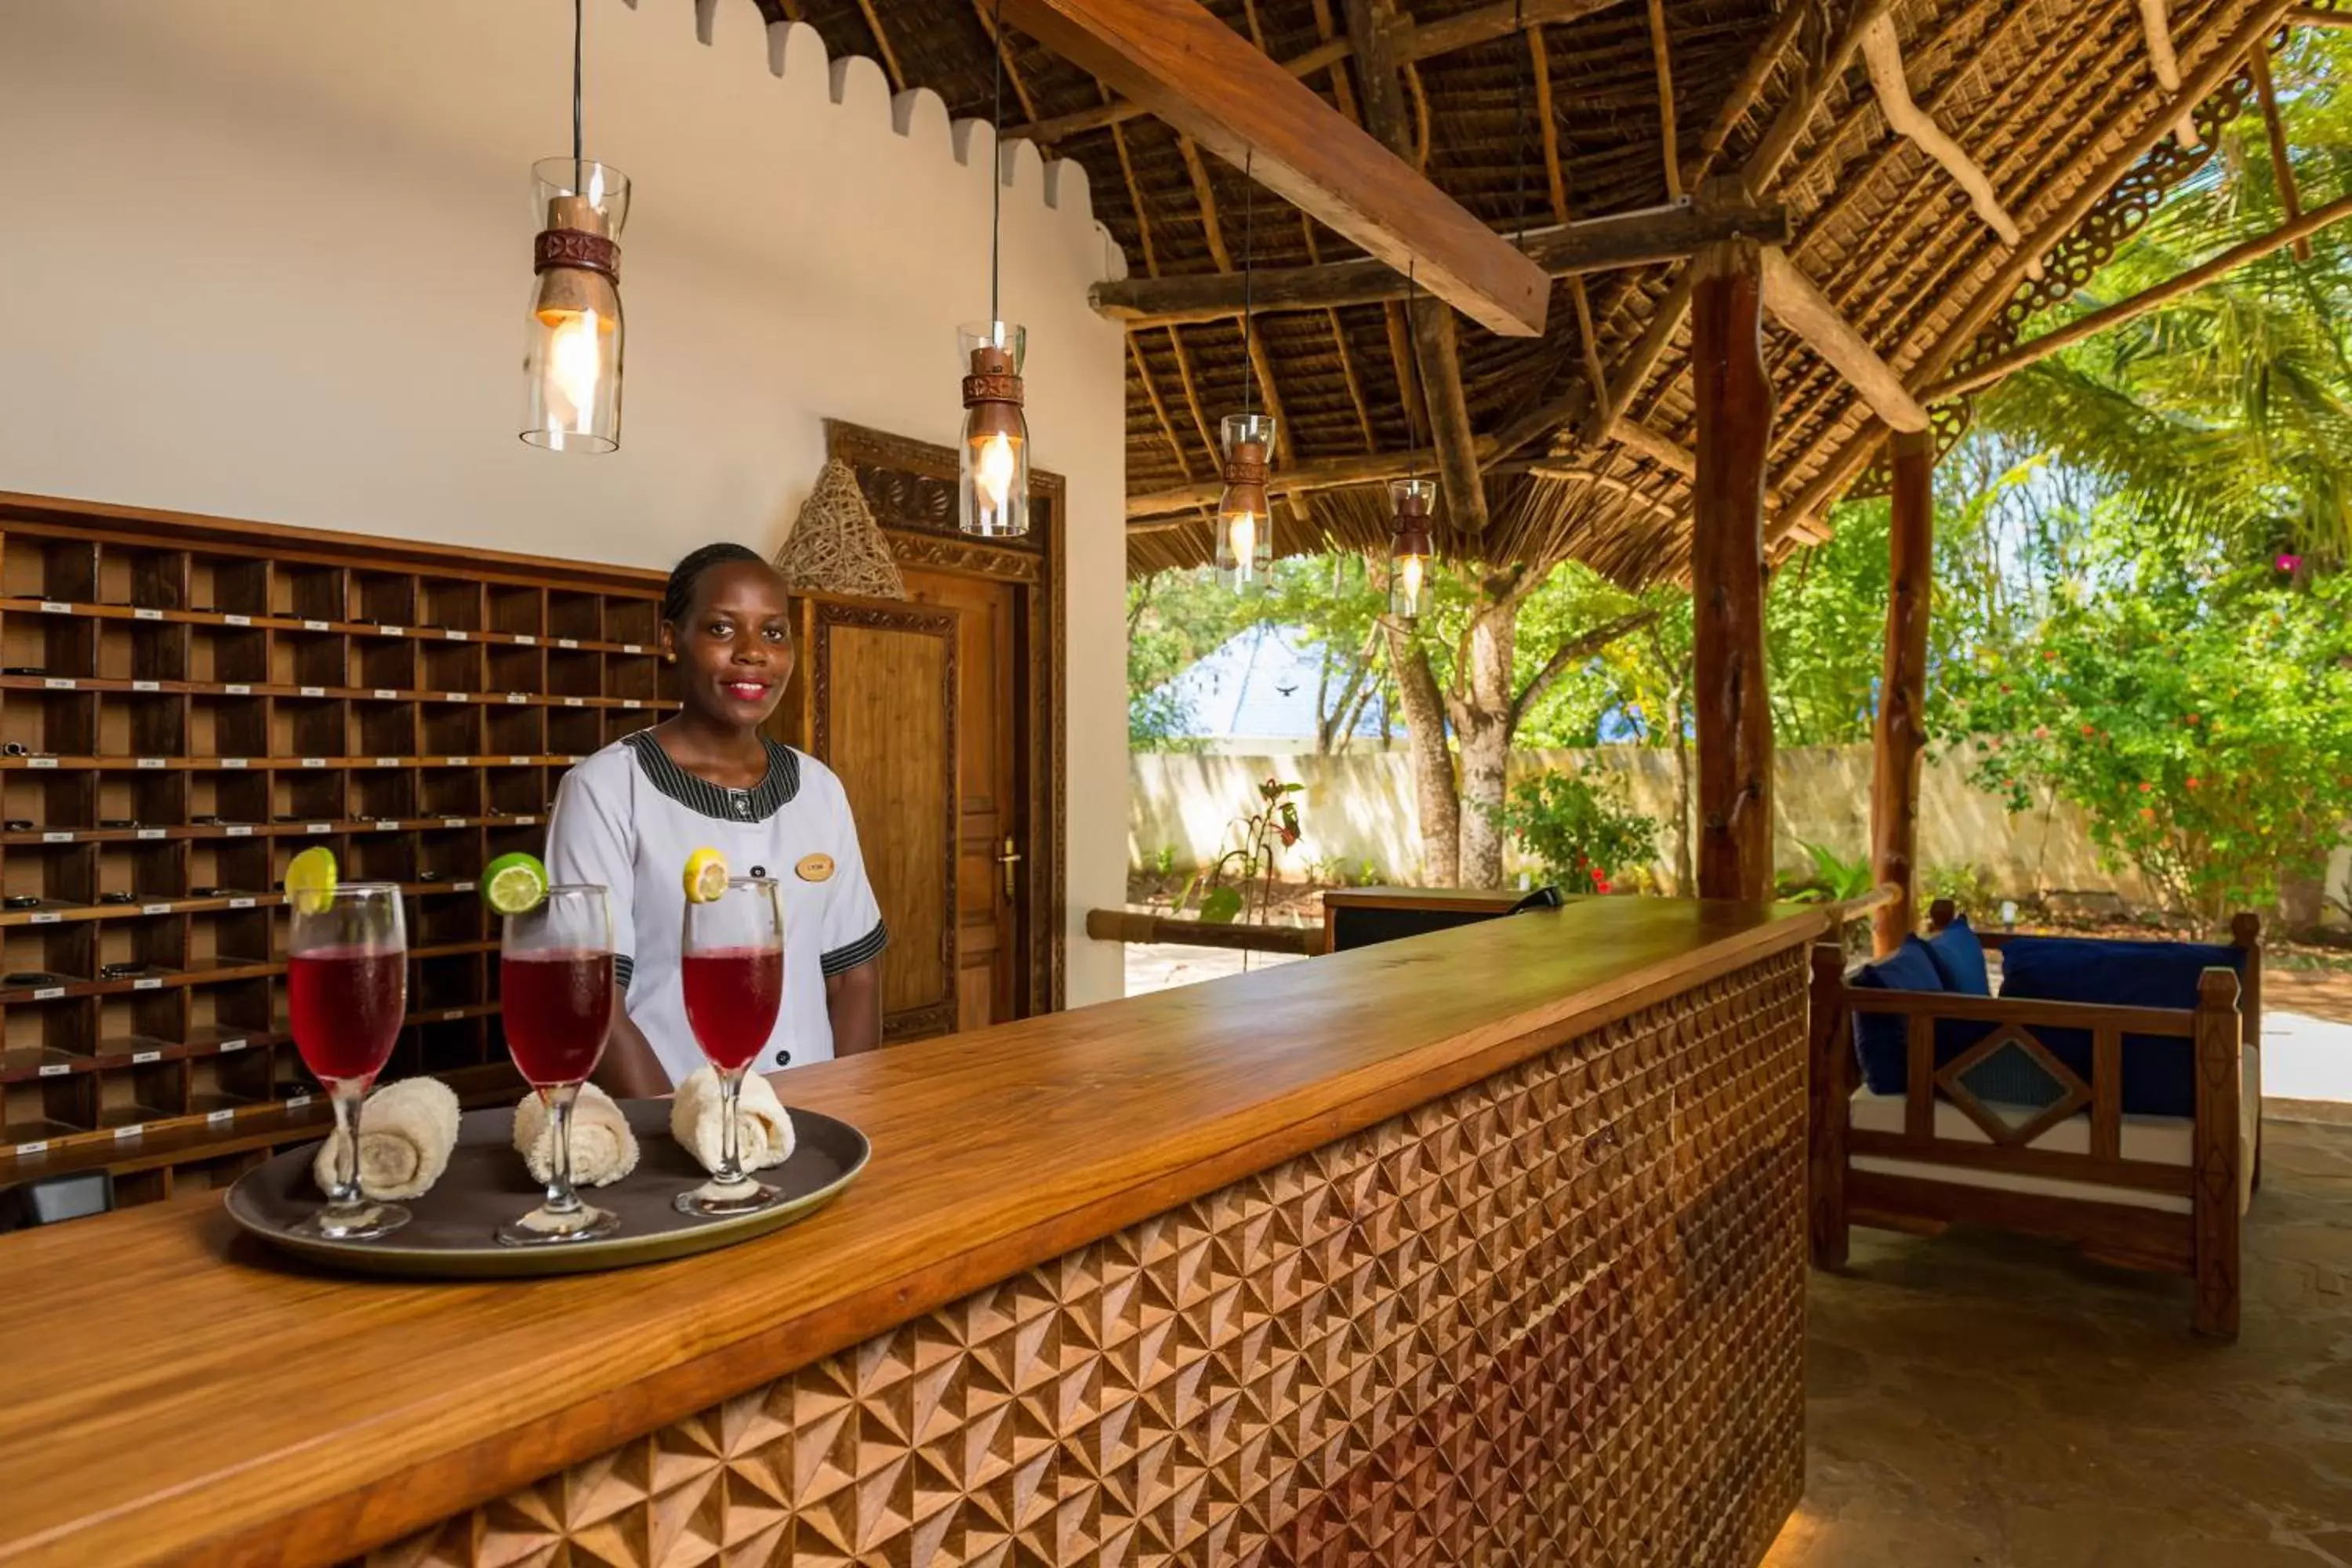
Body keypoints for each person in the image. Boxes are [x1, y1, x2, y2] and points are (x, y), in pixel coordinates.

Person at [546, 543, 884, 1096]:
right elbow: (594, 998)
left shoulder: (820, 789)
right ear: (670, 641)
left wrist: (846, 1115)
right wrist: (676, 1132)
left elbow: (853, 975)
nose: (753, 654)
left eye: (773, 633)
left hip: (814, 1125)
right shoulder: (606, 789)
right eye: (723, 630)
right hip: (674, 1129)